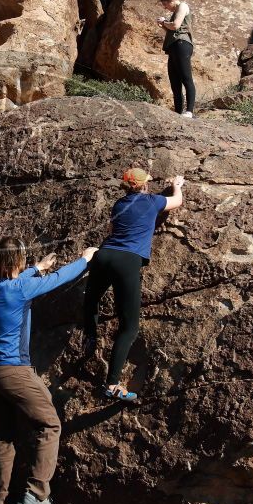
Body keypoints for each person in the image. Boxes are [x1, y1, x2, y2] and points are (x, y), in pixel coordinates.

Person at [0, 237, 98, 504]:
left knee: (2, 436)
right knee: (50, 424)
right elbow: (58, 279)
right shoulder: (21, 289)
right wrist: (85, 259)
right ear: (16, 263)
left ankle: (0, 499)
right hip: (14, 371)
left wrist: (37, 267)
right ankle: (36, 494)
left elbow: (17, 280)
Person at [83, 168, 185, 402]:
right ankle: (112, 384)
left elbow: (112, 229)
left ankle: (89, 335)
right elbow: (176, 202)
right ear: (144, 185)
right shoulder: (152, 201)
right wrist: (177, 184)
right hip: (127, 260)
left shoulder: (119, 204)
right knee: (129, 327)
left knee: (92, 297)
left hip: (105, 254)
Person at [157, 0, 196, 118]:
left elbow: (175, 25)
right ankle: (178, 113)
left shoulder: (183, 6)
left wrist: (164, 22)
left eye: (165, 4)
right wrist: (164, 25)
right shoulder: (176, 11)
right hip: (174, 47)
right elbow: (173, 29)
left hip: (182, 44)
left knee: (186, 77)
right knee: (175, 81)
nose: (165, 7)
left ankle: (189, 111)